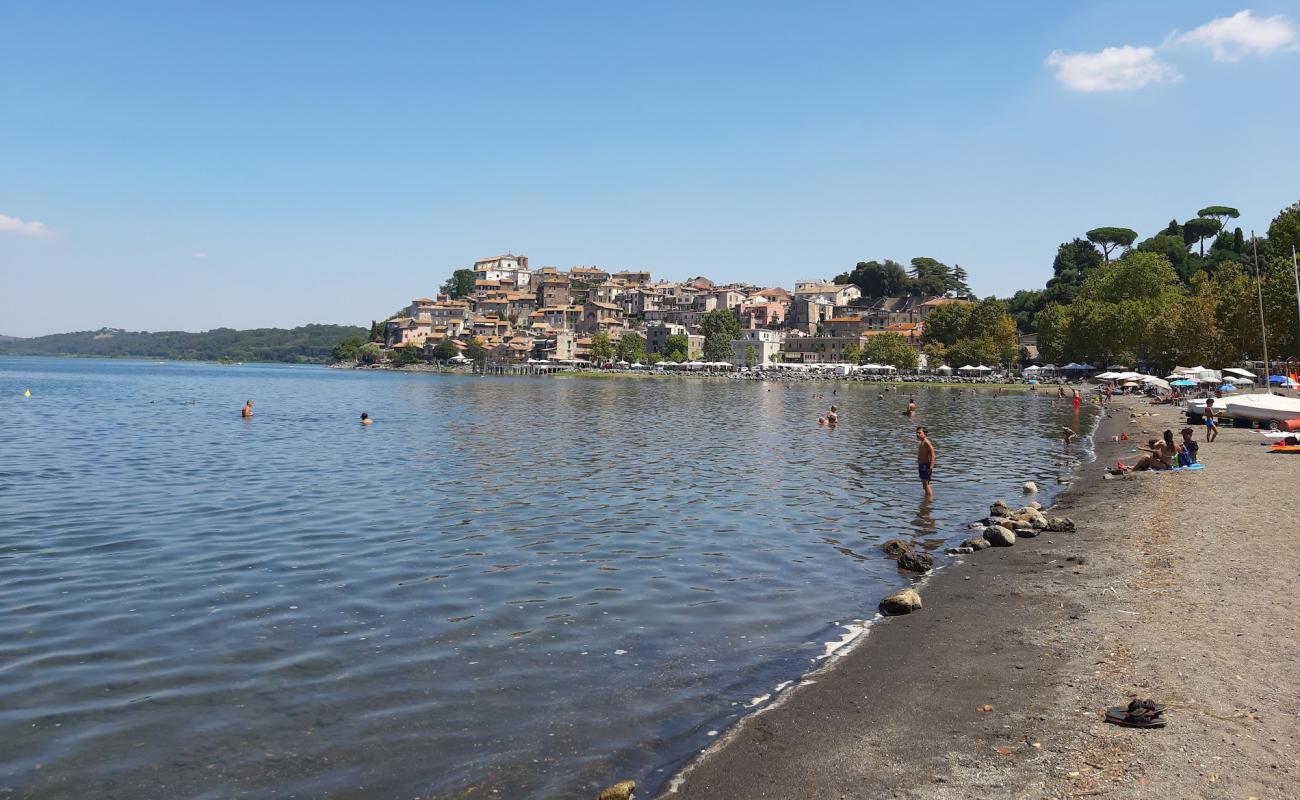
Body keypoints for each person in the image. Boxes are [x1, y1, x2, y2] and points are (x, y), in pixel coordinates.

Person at [916, 426, 935, 498]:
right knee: (925, 485)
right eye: (917, 433)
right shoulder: (922, 443)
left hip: (925, 466)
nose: (917, 434)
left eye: (919, 433)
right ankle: (926, 498)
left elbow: (933, 455)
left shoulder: (927, 442)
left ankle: (930, 499)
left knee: (925, 484)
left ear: (925, 433)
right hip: (921, 465)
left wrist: (930, 467)